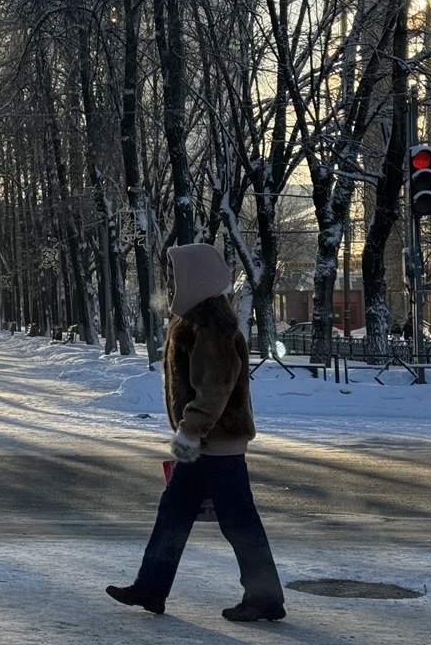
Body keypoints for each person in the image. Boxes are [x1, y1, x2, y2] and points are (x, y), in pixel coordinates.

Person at [106, 243, 284, 622]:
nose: (170, 283)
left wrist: (190, 430)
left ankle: (265, 596)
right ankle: (151, 587)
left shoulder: (212, 325)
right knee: (173, 513)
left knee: (238, 521)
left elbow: (215, 387)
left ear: (197, 277)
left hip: (216, 442)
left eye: (175, 275)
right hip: (203, 441)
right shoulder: (195, 319)